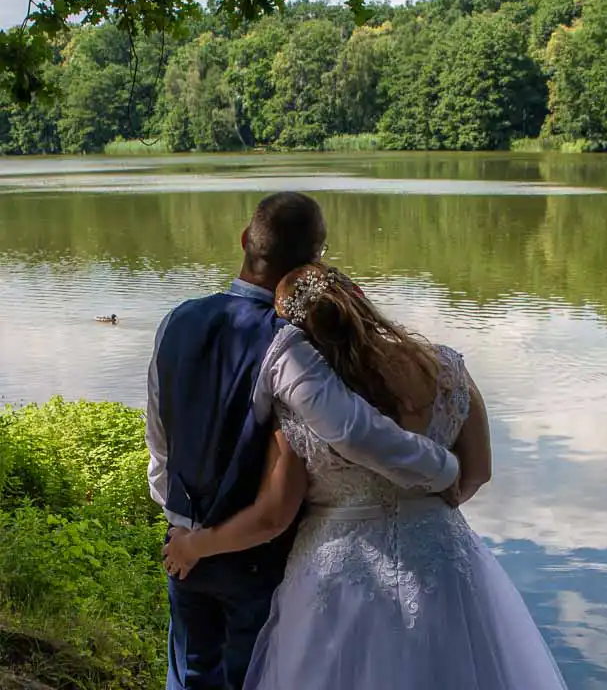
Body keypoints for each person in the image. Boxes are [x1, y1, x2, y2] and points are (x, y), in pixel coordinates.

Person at [162, 263, 568, 690]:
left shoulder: (304, 400)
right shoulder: (446, 368)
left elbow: (273, 517)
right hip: (440, 558)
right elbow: (478, 472)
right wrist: (430, 506)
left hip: (338, 575)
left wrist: (196, 545)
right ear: (358, 295)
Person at [147, 193, 460, 690]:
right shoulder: (285, 341)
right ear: (317, 258)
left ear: (246, 240)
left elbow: (159, 437)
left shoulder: (174, 321)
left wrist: (178, 518)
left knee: (188, 677)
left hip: (182, 539)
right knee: (249, 676)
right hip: (251, 551)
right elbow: (354, 431)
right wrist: (442, 469)